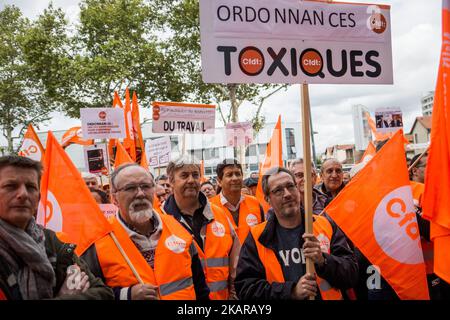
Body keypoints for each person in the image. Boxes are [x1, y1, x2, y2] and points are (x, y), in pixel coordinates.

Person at [82, 163, 210, 300]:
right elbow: (88, 295)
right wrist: (126, 295)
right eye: (130, 188)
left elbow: (200, 287)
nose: (140, 193)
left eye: (146, 186)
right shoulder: (98, 241)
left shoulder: (177, 228)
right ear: (114, 197)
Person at [235, 167, 358, 300]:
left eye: (290, 186)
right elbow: (246, 289)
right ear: (268, 199)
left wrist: (323, 261)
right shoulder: (257, 237)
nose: (287, 194)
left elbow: (352, 274)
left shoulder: (325, 225)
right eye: (278, 190)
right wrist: (291, 292)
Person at [0, 155, 113, 300]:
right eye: (11, 186)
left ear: (38, 199)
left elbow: (104, 293)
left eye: (31, 187)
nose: (23, 194)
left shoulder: (53, 242)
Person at [162, 155, 240, 300]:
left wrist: (234, 294)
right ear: (171, 181)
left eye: (195, 175)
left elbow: (236, 262)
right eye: (184, 175)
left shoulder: (220, 214)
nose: (191, 180)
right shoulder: (160, 221)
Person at [210, 159, 265, 246]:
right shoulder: (209, 207)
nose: (235, 178)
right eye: (229, 175)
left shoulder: (255, 203)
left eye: (238, 174)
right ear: (219, 181)